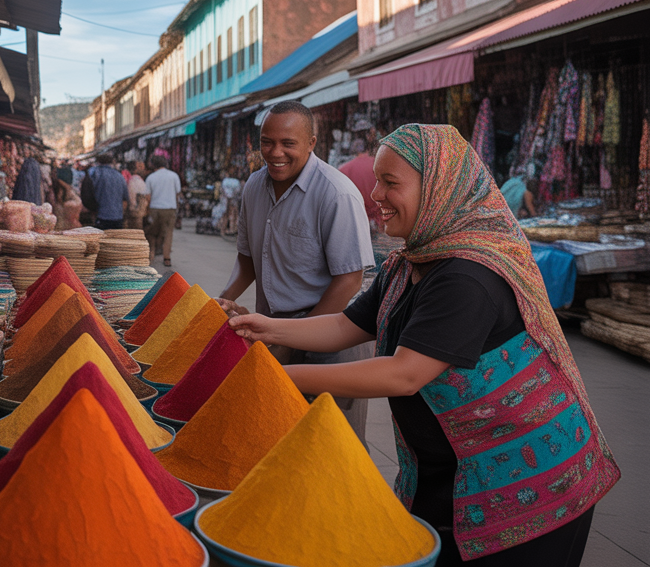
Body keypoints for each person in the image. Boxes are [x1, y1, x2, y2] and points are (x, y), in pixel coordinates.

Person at [229, 124, 619, 567]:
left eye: (390, 183)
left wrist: (277, 375)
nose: (374, 194)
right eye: (377, 179)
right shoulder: (408, 262)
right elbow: (343, 325)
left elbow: (404, 374)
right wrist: (264, 329)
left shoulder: (467, 276)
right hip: (454, 471)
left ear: (439, 188)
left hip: (532, 484)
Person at [219, 101, 374, 440]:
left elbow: (349, 279)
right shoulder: (253, 188)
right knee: (280, 436)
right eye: (266, 142)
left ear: (311, 143)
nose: (275, 152)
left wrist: (295, 338)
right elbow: (247, 259)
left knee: (331, 444)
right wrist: (223, 299)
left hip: (333, 339)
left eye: (288, 143)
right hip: (274, 331)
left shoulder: (336, 193)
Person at [144, 155, 182, 266]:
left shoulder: (151, 177)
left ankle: (151, 254)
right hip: (170, 208)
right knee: (168, 233)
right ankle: (167, 258)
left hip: (155, 208)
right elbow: (177, 193)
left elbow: (148, 196)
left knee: (152, 233)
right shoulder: (174, 176)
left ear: (153, 165)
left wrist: (148, 209)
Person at [338, 138, 383, 228]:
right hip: (382, 222)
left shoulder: (344, 170)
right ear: (367, 150)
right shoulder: (380, 164)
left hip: (358, 224)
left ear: (352, 152)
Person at [80, 153, 127, 229]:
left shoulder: (94, 174)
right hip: (118, 218)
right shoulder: (120, 176)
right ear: (112, 162)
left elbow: (87, 195)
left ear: (98, 162)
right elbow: (125, 199)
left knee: (102, 240)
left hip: (101, 216)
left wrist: (92, 210)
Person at [125, 161, 150, 229]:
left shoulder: (132, 180)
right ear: (135, 170)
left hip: (134, 212)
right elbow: (147, 197)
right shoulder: (136, 181)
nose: (143, 169)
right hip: (137, 214)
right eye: (140, 167)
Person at [220, 169, 242, 236]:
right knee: (234, 214)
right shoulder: (236, 182)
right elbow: (238, 191)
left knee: (225, 215)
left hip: (225, 199)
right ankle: (232, 229)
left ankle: (223, 230)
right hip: (233, 200)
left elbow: (222, 190)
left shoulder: (225, 181)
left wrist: (227, 197)